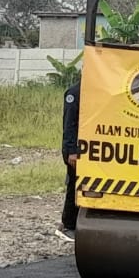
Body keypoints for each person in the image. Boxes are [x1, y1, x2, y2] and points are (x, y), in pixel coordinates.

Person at [57, 79, 81, 242]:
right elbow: (69, 125)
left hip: (84, 148)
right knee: (74, 185)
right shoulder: (74, 93)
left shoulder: (94, 91)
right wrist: (71, 151)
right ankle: (68, 225)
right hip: (74, 149)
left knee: (81, 184)